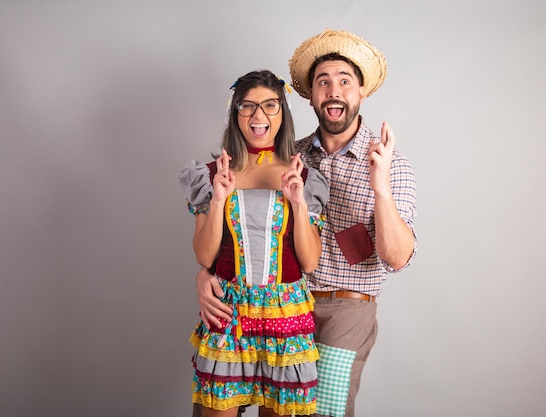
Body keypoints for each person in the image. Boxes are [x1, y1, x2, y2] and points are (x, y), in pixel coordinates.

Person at [195, 29, 417, 417]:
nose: (334, 91)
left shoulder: (387, 162)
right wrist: (206, 274)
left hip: (343, 309)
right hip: (280, 303)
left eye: (344, 82)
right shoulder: (293, 158)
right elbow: (238, 233)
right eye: (323, 82)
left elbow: (397, 258)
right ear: (310, 96)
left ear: (361, 91)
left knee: (321, 412)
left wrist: (380, 188)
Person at [179, 70, 329, 417]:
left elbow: (309, 262)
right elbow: (204, 255)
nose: (258, 116)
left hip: (285, 314)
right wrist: (218, 199)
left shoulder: (303, 177)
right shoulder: (213, 173)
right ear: (236, 113)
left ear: (282, 112)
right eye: (247, 106)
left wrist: (299, 203)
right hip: (229, 313)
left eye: (269, 106)